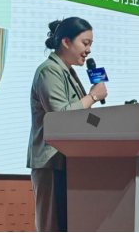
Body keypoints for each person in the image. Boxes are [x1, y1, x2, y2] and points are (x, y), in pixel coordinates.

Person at [28, 18, 108, 233]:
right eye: (85, 43)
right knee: (52, 226)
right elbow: (61, 116)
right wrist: (93, 96)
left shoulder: (69, 72)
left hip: (71, 162)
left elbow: (82, 116)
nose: (89, 50)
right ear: (66, 41)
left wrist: (105, 123)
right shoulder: (48, 71)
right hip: (52, 163)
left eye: (90, 44)